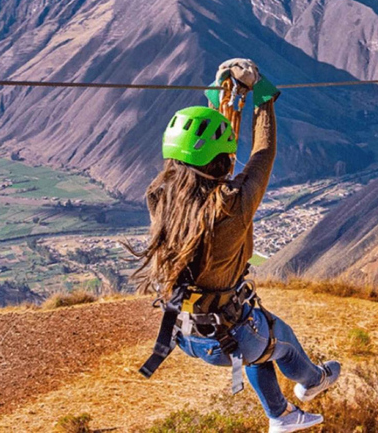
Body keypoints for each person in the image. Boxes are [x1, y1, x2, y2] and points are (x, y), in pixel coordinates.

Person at [127, 59, 340, 432]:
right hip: (227, 338)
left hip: (185, 333)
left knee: (260, 343)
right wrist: (264, 98)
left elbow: (198, 161)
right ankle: (313, 381)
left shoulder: (160, 200)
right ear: (223, 161)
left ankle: (281, 416)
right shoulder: (232, 207)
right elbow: (262, 155)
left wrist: (221, 97)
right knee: (279, 339)